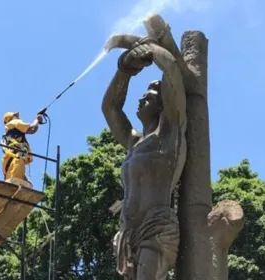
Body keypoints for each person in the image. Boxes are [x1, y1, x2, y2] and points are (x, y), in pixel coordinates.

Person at [102, 40, 187, 279]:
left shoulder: (169, 134)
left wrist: (153, 51)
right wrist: (124, 69)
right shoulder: (134, 141)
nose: (140, 99)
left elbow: (172, 73)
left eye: (148, 96)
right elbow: (110, 108)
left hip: (155, 229)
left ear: (162, 105)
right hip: (129, 234)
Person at [1, 111, 44, 187]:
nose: (18, 117)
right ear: (11, 117)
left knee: (23, 185)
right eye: (16, 116)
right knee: (15, 186)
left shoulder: (9, 132)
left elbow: (32, 130)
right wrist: (37, 119)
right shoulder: (13, 122)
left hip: (10, 162)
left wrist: (37, 122)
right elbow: (31, 129)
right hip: (16, 159)